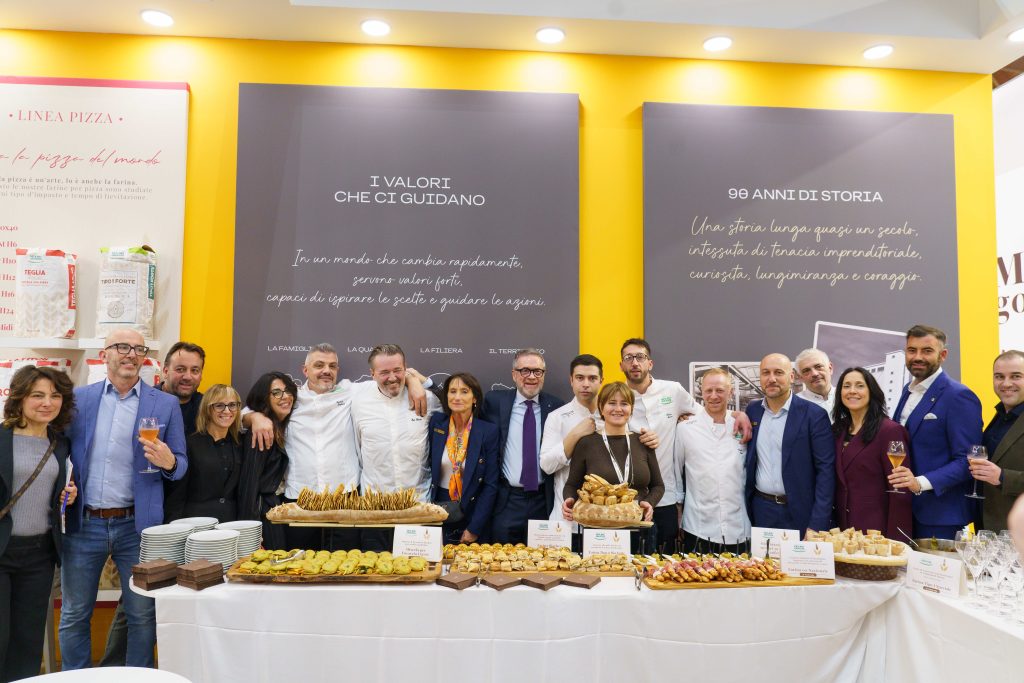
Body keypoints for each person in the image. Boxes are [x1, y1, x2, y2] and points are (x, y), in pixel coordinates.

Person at [59, 328, 187, 670]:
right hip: (85, 523)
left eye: (138, 349)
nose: (131, 354)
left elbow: (181, 464)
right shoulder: (79, 399)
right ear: (105, 354)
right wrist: (63, 485)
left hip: (137, 526)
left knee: (142, 614)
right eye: (122, 347)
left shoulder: (165, 404)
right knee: (74, 613)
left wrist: (170, 463)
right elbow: (59, 451)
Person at [244, 343, 427, 550]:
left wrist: (412, 380)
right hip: (299, 501)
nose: (326, 371)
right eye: (319, 365)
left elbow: (390, 376)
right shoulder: (290, 398)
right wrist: (254, 417)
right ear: (305, 370)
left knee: (344, 564)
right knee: (301, 565)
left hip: (345, 502)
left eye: (332, 366)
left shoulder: (351, 391)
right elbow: (243, 411)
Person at [619, 338, 750, 553]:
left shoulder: (673, 390)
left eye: (640, 357)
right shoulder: (617, 397)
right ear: (621, 365)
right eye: (628, 358)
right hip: (627, 497)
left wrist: (737, 414)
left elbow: (706, 411)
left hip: (666, 498)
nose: (634, 362)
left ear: (650, 363)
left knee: (666, 561)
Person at [0, 366, 77, 682]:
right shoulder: (2, 439)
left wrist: (68, 494)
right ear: (19, 398)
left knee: (28, 640)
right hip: (2, 548)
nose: (47, 403)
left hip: (39, 554)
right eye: (38, 395)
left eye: (55, 396)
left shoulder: (60, 444)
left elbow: (52, 492)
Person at [888, 325, 983, 539]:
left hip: (940, 516)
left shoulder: (959, 396)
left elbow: (968, 461)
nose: (917, 357)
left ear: (943, 355)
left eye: (927, 351)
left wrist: (919, 483)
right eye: (912, 350)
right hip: (904, 509)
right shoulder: (906, 391)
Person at [352, 344, 440, 550]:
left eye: (398, 370)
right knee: (373, 568)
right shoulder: (357, 401)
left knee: (419, 569)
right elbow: (357, 448)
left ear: (406, 368)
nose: (392, 377)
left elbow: (459, 404)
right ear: (372, 374)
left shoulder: (427, 399)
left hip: (418, 506)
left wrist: (415, 380)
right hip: (374, 510)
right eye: (384, 372)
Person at [561, 382, 663, 550]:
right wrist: (569, 499)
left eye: (624, 403)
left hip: (639, 528)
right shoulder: (586, 443)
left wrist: (649, 502)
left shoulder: (643, 442)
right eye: (612, 403)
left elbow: (658, 486)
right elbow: (572, 484)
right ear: (601, 408)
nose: (618, 409)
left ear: (631, 409)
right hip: (598, 531)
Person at [744, 353, 834, 536]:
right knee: (761, 557)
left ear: (792, 377)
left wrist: (818, 523)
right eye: (766, 373)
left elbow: (826, 471)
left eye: (778, 372)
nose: (771, 379)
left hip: (801, 513)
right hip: (762, 511)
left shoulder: (814, 415)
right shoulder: (753, 411)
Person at [482, 348, 565, 544]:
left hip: (543, 501)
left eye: (537, 371)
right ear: (514, 374)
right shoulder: (494, 402)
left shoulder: (556, 406)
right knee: (502, 560)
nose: (531, 377)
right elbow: (458, 406)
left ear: (544, 375)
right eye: (524, 371)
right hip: (507, 502)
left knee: (542, 560)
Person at [831, 367, 913, 539]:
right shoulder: (836, 430)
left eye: (860, 385)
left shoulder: (890, 431)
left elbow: (899, 490)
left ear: (872, 392)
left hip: (876, 531)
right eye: (846, 386)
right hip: (840, 530)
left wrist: (897, 540)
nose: (852, 391)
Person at [675, 368, 749, 554]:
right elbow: (676, 474)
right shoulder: (685, 429)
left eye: (720, 390)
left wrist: (739, 414)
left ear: (731, 392)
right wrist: (678, 512)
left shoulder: (744, 426)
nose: (714, 396)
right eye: (708, 390)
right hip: (698, 527)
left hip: (739, 529)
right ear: (701, 392)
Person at [429, 373, 500, 544]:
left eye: (464, 391)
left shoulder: (488, 431)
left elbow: (490, 485)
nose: (457, 397)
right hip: (439, 509)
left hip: (473, 511)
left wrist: (475, 527)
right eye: (452, 391)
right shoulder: (437, 424)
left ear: (475, 398)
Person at [164, 385, 243, 522]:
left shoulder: (241, 444)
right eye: (219, 405)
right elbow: (176, 495)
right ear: (207, 409)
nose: (227, 411)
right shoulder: (189, 445)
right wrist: (172, 527)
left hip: (231, 525)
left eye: (232, 405)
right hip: (196, 525)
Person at [238, 371, 295, 550]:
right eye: (276, 393)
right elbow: (249, 486)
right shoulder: (260, 433)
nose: (285, 397)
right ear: (264, 399)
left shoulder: (278, 427)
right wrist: (251, 535)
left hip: (277, 510)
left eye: (288, 391)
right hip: (263, 516)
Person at [968, 350, 1024, 531]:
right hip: (989, 527)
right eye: (999, 376)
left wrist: (1002, 477)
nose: (1006, 383)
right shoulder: (1000, 415)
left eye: (1016, 376)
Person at [159, 341, 205, 436]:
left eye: (194, 370)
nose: (187, 377)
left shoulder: (206, 406)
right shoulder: (145, 402)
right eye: (180, 369)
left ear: (201, 375)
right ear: (165, 371)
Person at [796, 348, 836, 418]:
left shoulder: (847, 396)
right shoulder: (794, 405)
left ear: (830, 368)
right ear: (800, 377)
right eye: (806, 371)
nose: (814, 374)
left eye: (818, 367)